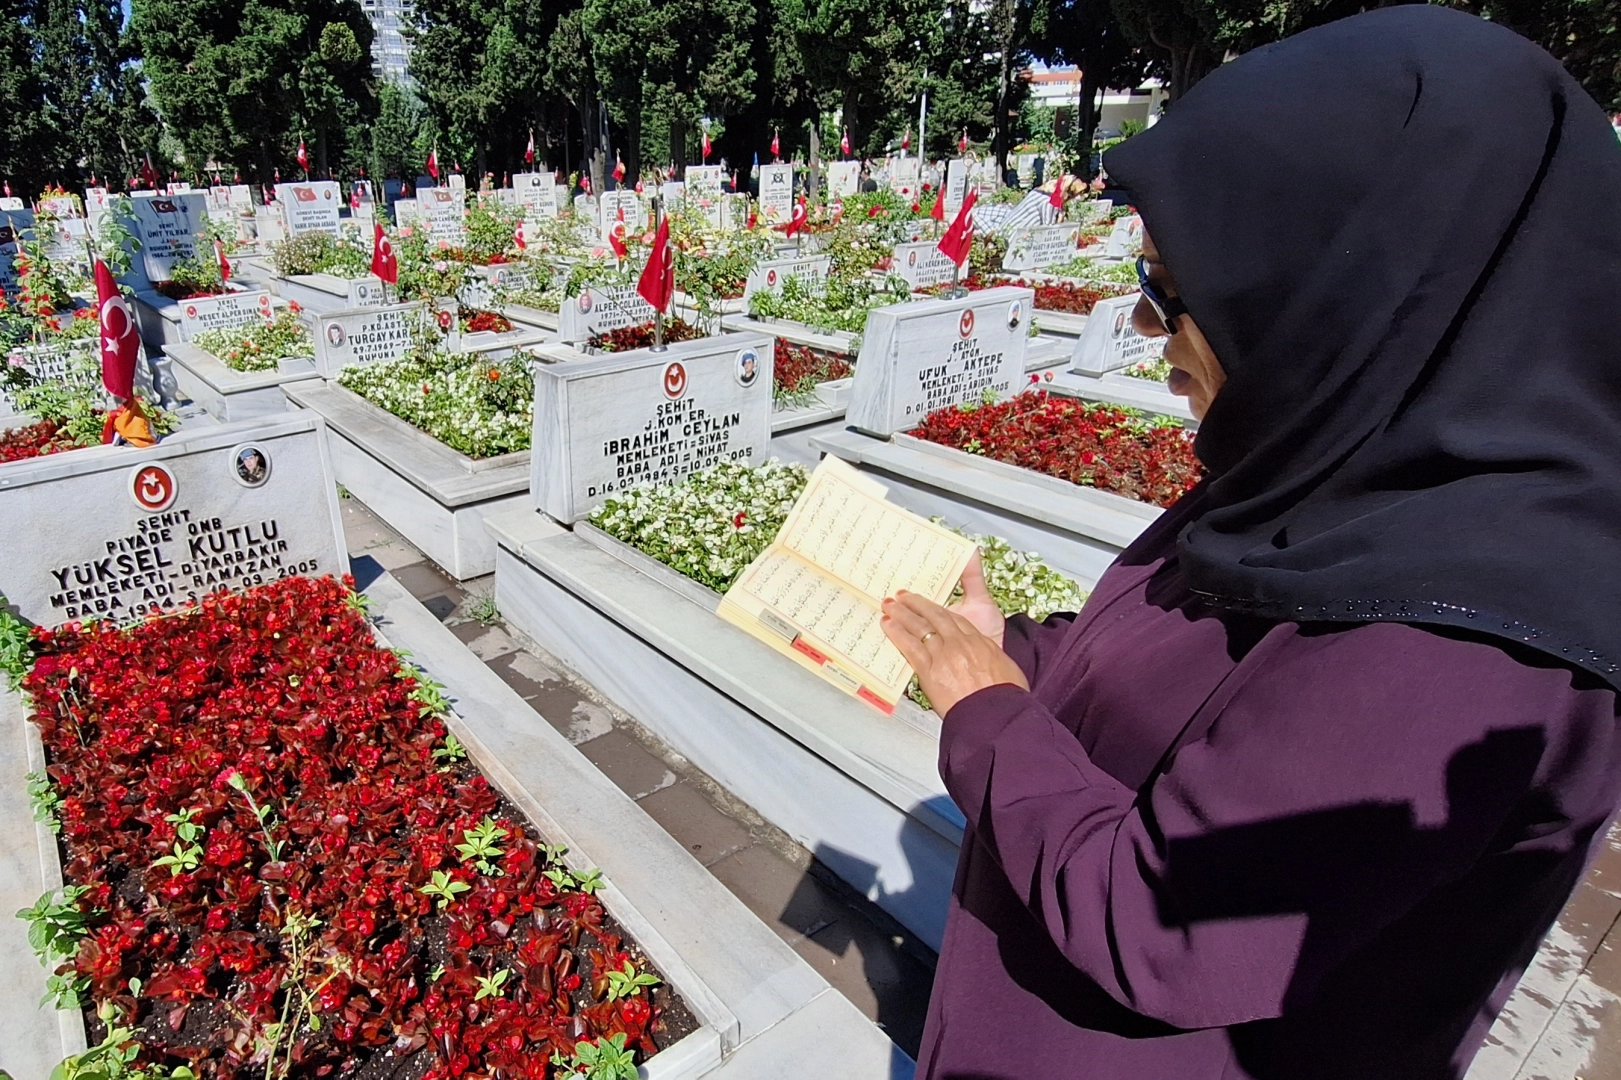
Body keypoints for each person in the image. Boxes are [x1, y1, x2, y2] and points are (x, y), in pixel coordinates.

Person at [880, 7, 1621, 1078]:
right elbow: (1173, 671)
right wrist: (1021, 653)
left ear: (1343, 290)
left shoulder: (1471, 636)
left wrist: (988, 714)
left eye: (1173, 296)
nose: (1143, 331)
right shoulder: (1332, 463)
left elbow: (1167, 921)